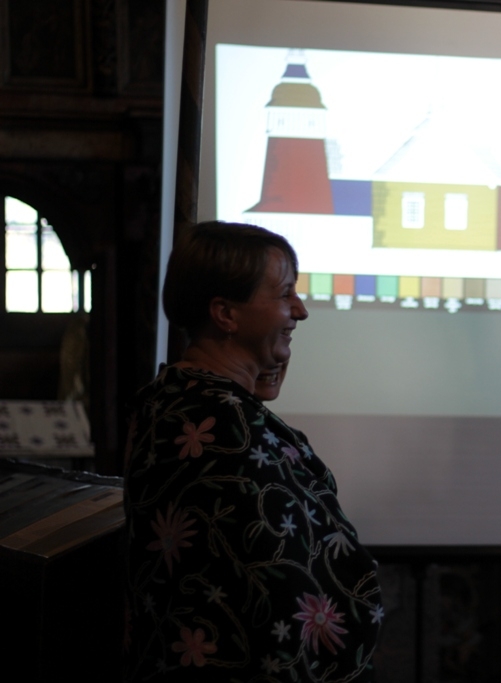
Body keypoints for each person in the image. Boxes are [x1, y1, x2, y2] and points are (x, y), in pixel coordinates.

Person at [123, 222, 383, 682]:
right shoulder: (221, 427)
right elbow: (280, 596)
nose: (300, 310)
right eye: (284, 294)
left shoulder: (181, 401)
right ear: (226, 314)